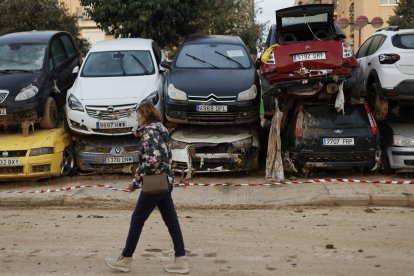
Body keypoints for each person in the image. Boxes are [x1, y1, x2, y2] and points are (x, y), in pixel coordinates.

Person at [104, 102, 189, 274]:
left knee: (137, 218)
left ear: (144, 115)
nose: (137, 119)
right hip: (166, 180)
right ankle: (181, 259)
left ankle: (126, 258)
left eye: (138, 116)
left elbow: (152, 161)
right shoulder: (162, 129)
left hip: (155, 181)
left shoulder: (149, 132)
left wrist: (135, 182)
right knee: (171, 219)